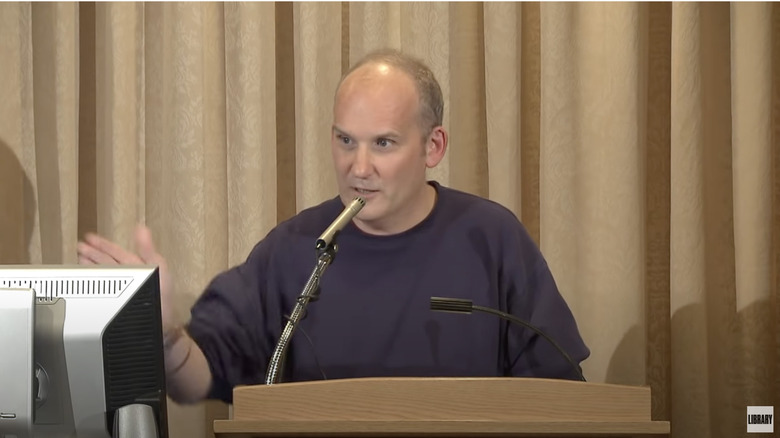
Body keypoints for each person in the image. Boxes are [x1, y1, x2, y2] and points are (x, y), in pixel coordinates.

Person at [77, 48, 589, 405]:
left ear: (433, 146)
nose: (357, 167)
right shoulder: (293, 250)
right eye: (345, 141)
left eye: (383, 144)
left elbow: (560, 396)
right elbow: (196, 382)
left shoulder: (492, 238)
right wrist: (165, 336)